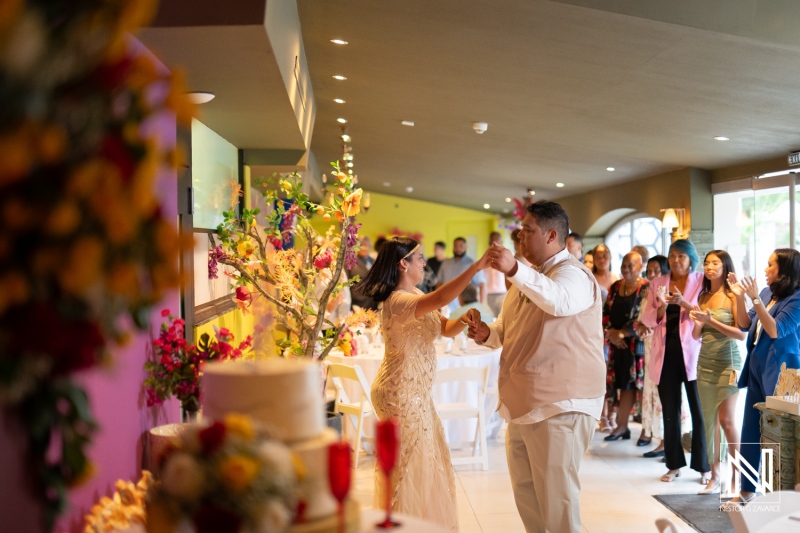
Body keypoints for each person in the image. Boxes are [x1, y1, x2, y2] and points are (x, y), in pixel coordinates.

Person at [468, 200, 606, 533]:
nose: (519, 237)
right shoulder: (528, 278)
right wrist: (488, 333)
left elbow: (558, 301)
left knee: (558, 502)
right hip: (524, 403)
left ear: (551, 235)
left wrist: (515, 269)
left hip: (562, 404)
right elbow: (507, 326)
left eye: (528, 231)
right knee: (527, 495)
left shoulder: (573, 274)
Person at [355, 236, 490, 531]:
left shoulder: (414, 292)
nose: (425, 263)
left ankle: (417, 523)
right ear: (403, 263)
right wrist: (476, 266)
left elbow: (445, 328)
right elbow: (441, 298)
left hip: (415, 392)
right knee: (410, 467)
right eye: (420, 259)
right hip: (400, 392)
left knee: (424, 463)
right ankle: (403, 523)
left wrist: (464, 319)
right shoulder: (398, 300)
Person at [723, 248, 800, 507]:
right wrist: (739, 298)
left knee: (778, 435)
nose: (766, 269)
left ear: (785, 271)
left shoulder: (797, 298)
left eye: (771, 265)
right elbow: (745, 325)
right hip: (757, 365)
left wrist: (755, 299)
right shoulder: (767, 293)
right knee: (750, 429)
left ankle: (780, 497)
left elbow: (776, 330)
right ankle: (746, 490)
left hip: (781, 372)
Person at [641, 239, 710, 483]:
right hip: (666, 353)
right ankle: (674, 464)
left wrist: (682, 302)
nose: (675, 260)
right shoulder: (658, 283)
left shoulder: (702, 281)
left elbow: (704, 314)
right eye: (672, 255)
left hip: (694, 352)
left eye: (681, 256)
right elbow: (648, 319)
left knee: (699, 412)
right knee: (669, 411)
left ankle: (704, 467)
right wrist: (661, 307)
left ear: (691, 259)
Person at [688, 250, 745, 495]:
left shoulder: (733, 296)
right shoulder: (703, 296)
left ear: (725, 267)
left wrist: (709, 321)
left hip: (729, 363)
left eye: (715, 263)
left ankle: (738, 476)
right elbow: (696, 335)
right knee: (710, 421)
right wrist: (699, 323)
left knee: (728, 421)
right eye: (707, 263)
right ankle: (715, 475)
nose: (710, 267)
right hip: (705, 363)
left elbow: (741, 333)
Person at [638, 255, 692, 458]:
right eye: (649, 270)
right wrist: (642, 326)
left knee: (669, 398)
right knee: (653, 394)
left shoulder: (669, 290)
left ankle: (667, 442)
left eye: (656, 270)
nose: (652, 274)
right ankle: (659, 439)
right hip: (650, 345)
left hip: (666, 346)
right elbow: (643, 317)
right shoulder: (650, 290)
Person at [603, 252, 649, 442]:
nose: (626, 269)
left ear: (640, 267)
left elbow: (645, 317)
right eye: (624, 265)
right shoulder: (615, 287)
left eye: (631, 265)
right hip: (617, 344)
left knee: (640, 387)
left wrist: (623, 333)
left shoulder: (646, 288)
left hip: (637, 345)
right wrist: (612, 334)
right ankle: (622, 427)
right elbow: (605, 313)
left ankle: (647, 431)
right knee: (623, 385)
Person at [437, 237, 486, 311]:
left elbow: (482, 285)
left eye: (461, 246)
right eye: (456, 246)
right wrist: (437, 304)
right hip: (446, 307)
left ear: (466, 247)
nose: (458, 249)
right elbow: (439, 283)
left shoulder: (472, 264)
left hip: (466, 308)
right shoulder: (446, 263)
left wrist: (481, 307)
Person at [347, 236, 377, 310]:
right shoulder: (351, 262)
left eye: (367, 245)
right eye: (362, 246)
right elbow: (347, 284)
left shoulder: (375, 262)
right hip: (358, 303)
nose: (365, 248)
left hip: (373, 302)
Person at [485, 231, 508, 316]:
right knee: (492, 319)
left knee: (503, 319)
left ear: (501, 242)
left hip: (503, 293)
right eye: (492, 241)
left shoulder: (508, 256)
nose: (495, 243)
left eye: (497, 241)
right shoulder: (486, 257)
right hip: (490, 294)